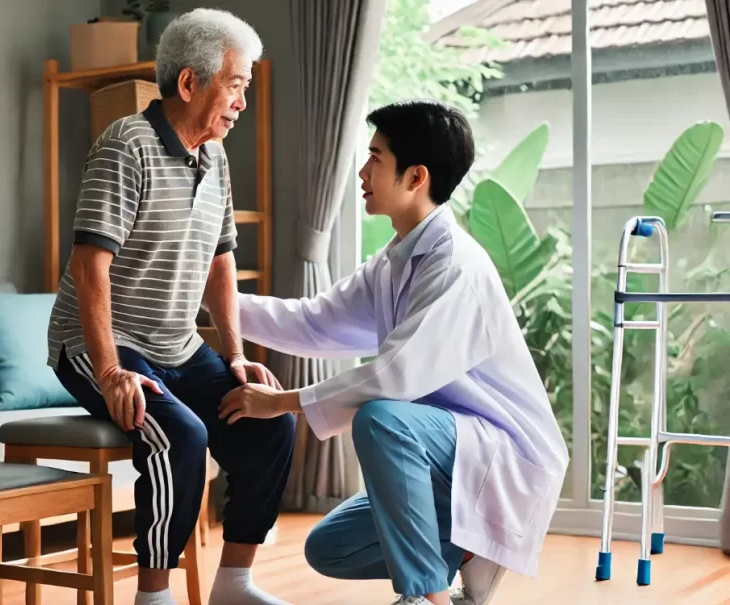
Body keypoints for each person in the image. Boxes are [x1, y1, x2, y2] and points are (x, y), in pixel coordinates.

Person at [218, 100, 569, 605]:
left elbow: (395, 376)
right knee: (329, 549)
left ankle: (427, 597)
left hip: (501, 450)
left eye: (375, 159)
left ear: (415, 177)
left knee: (381, 418)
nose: (363, 172)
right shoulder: (393, 260)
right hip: (444, 453)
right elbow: (312, 321)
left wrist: (283, 401)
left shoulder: (456, 265)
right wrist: (210, 300)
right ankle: (464, 552)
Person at [47, 8, 296, 605]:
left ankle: (235, 582)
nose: (241, 102)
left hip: (179, 348)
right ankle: (153, 595)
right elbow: (90, 268)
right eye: (234, 86)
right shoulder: (124, 146)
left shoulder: (217, 157)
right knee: (178, 434)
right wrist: (109, 372)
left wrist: (235, 356)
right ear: (190, 83)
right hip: (98, 345)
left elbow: (220, 263)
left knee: (270, 422)